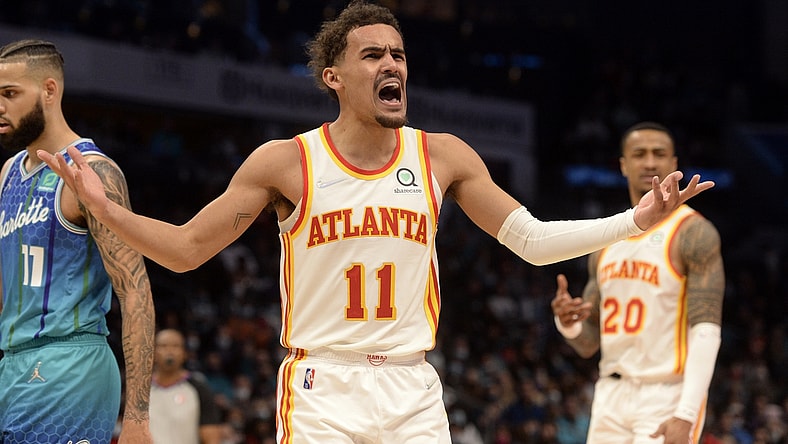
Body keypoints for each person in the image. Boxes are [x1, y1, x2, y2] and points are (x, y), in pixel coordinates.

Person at [39, 2, 715, 442]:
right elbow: (186, 251)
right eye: (374, 55)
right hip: (322, 385)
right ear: (332, 76)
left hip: (412, 386)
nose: (392, 64)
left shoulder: (442, 155)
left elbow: (533, 242)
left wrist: (634, 218)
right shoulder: (287, 162)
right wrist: (105, 209)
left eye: (398, 54)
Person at [0, 39, 154, 443]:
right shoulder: (8, 173)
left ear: (50, 91)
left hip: (71, 364)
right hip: (12, 363)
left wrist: (137, 418)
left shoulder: (95, 172)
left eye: (10, 94)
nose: (0, 106)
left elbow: (135, 291)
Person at [551, 121, 724, 444]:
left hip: (666, 393)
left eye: (659, 154)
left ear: (674, 164)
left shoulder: (693, 232)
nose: (649, 162)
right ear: (623, 165)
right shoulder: (607, 240)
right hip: (611, 393)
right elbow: (588, 342)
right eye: (639, 154)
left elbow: (707, 328)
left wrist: (685, 412)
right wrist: (567, 324)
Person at [150, 329, 223, 444]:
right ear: (153, 353)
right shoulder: (141, 389)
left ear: (184, 354)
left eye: (175, 346)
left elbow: (211, 437)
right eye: (163, 346)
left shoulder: (198, 387)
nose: (169, 351)